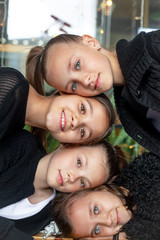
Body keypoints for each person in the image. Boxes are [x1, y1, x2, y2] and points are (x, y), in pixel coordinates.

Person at [0, 67, 125, 239]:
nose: (72, 176)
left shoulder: (47, 213)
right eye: (79, 162)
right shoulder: (21, 146)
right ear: (69, 144)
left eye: (82, 182)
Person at [26, 30, 160, 155]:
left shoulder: (154, 46)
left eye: (77, 65)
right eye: (73, 85)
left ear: (91, 42)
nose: (85, 80)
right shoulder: (128, 110)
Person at [52, 151, 160, 240]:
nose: (107, 221)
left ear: (100, 188)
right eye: (97, 230)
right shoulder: (137, 229)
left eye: (95, 209)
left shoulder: (148, 171)